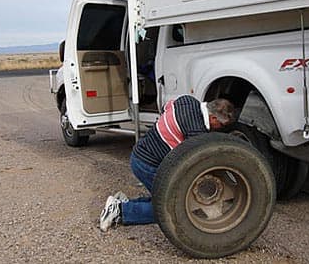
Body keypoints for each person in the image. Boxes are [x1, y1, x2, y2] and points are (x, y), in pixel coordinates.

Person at [99, 95, 235, 231]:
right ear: (213, 118)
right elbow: (196, 166)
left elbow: (166, 107)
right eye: (222, 125)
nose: (220, 129)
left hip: (141, 152)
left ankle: (125, 204)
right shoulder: (196, 133)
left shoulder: (187, 101)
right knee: (170, 209)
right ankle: (120, 211)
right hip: (147, 164)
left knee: (162, 197)